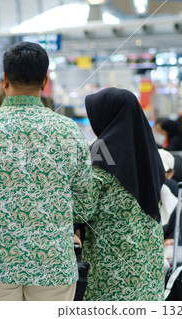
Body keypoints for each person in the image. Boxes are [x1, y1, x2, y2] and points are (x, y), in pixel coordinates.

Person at [0, 42, 93, 301]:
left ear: (4, 80)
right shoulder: (68, 130)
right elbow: (85, 204)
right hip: (53, 264)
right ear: (45, 81)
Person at [78, 87, 165, 301]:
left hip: (113, 258)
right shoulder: (149, 152)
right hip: (148, 253)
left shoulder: (101, 155)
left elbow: (82, 209)